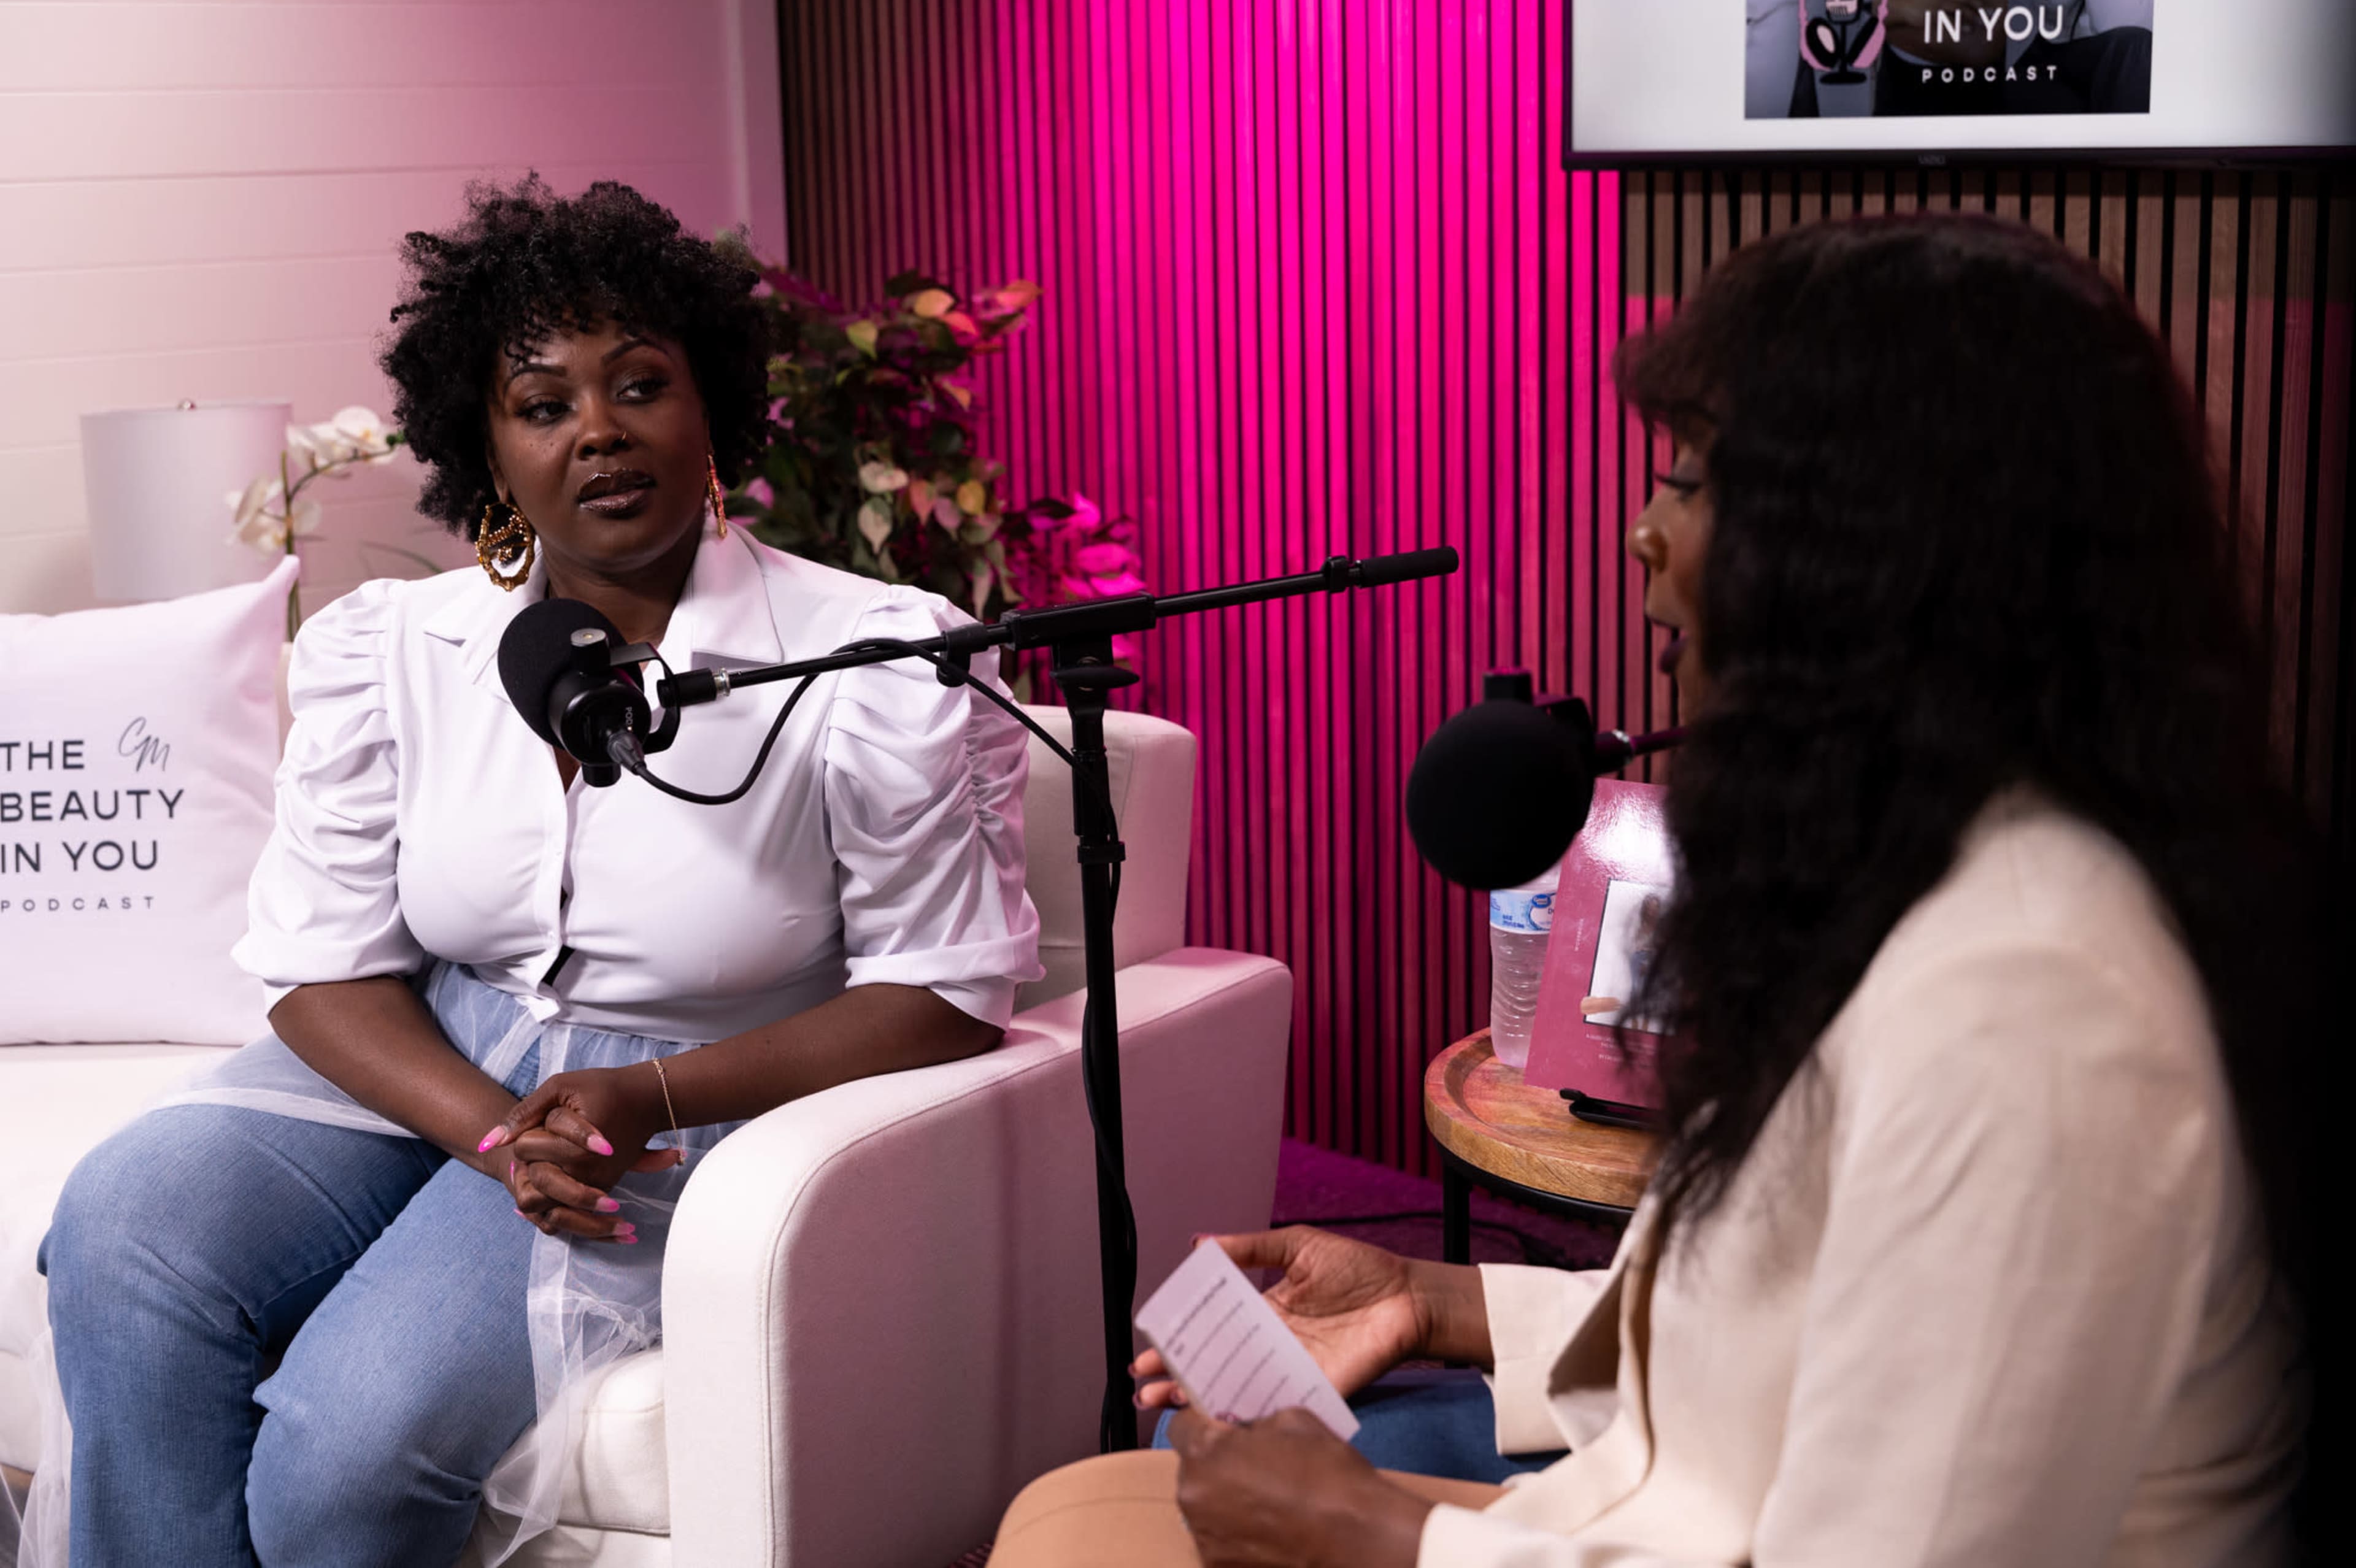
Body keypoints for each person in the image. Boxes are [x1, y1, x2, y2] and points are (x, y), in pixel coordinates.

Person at [990, 213, 2328, 1566]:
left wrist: (1377, 1534)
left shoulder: (2031, 1003)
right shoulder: (1922, 868)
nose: (1642, 533)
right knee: (1133, 1478)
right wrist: (1428, 1298)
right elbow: (1777, 1321)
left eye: (1688, 480)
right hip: (1666, 1504)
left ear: (1874, 546)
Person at [34, 177, 1042, 1567]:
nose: (601, 431)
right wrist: (501, 1135)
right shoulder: (394, 646)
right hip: (441, 1056)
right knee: (124, 1225)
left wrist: (646, 1094)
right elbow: (326, 967)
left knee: (343, 1459)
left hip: (692, 1088)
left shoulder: (872, 660)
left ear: (714, 415)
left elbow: (946, 989)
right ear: (486, 448)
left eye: (640, 384)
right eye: (544, 402)